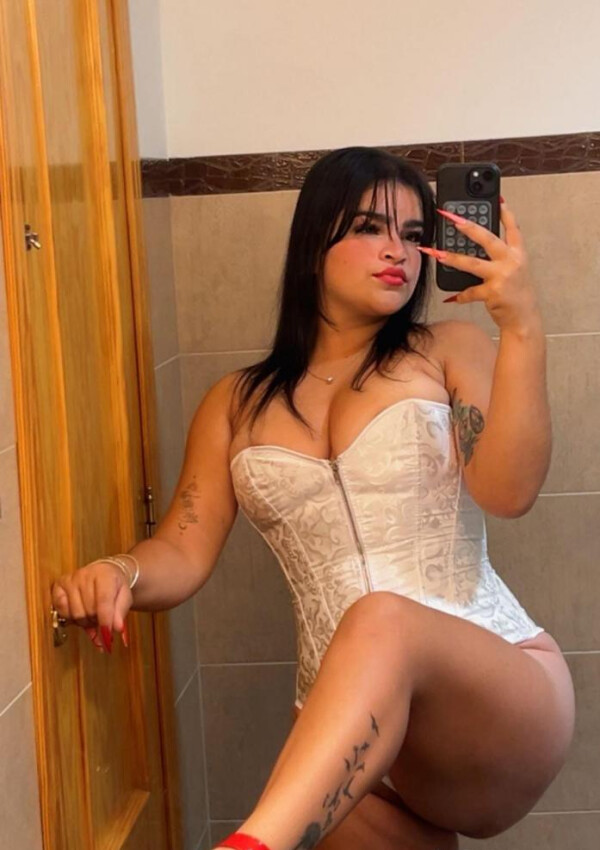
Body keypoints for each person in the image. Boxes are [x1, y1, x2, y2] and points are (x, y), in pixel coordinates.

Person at [51, 147, 576, 850]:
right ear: (312, 244)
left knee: (383, 617)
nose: (397, 251)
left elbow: (509, 493)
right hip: (355, 739)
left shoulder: (448, 350)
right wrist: (120, 570)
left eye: (413, 233)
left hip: (498, 695)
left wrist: (522, 327)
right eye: (368, 227)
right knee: (322, 735)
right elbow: (182, 546)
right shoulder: (235, 403)